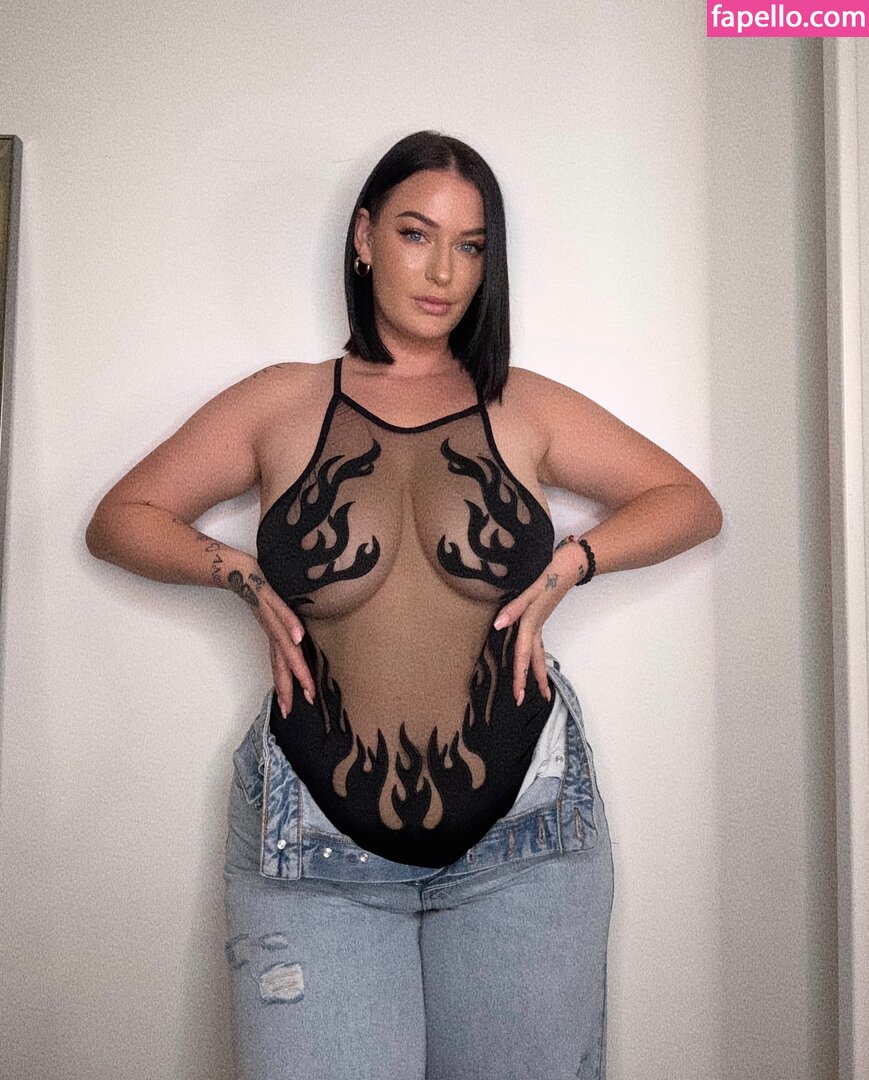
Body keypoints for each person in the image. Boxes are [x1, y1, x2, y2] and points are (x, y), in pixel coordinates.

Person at [86, 130, 722, 1080]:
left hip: (525, 843)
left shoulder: (525, 406)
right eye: (416, 234)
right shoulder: (281, 402)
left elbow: (688, 503)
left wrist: (570, 565)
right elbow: (121, 519)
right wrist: (240, 575)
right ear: (363, 237)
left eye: (470, 246)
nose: (442, 272)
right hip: (311, 853)